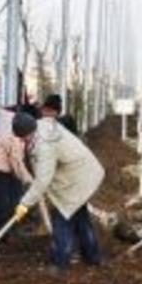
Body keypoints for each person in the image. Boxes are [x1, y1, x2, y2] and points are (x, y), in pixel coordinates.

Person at [12, 113, 105, 272]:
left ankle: (60, 263)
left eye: (23, 138)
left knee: (61, 219)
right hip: (79, 173)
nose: (22, 141)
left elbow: (42, 180)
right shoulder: (40, 126)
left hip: (77, 178)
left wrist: (24, 203)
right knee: (80, 216)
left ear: (29, 132)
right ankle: (92, 257)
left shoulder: (45, 146)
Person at [0, 110, 34, 239]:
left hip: (5, 170)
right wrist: (29, 180)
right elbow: (16, 162)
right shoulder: (13, 135)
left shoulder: (11, 119)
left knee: (14, 201)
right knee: (0, 207)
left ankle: (8, 234)